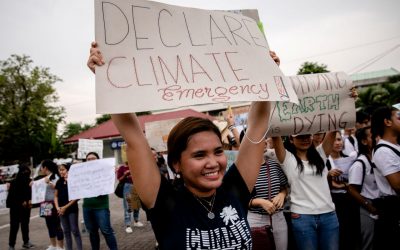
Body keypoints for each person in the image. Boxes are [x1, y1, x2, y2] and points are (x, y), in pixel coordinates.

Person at [88, 42, 276, 249]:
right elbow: (134, 137)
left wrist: (266, 76)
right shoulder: (165, 202)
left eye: (218, 151)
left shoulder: (234, 190)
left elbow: (257, 127)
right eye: (199, 155)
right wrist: (108, 77)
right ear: (176, 163)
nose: (213, 162)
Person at [272, 132, 339, 250]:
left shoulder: (321, 153)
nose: (305, 139)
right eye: (299, 136)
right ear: (291, 139)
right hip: (302, 217)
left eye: (307, 136)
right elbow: (275, 133)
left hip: (328, 215)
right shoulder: (287, 158)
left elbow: (333, 130)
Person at [243, 132, 289, 250]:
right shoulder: (243, 169)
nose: (264, 142)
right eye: (258, 140)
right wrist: (259, 201)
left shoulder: (274, 165)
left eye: (264, 140)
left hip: (278, 217)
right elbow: (238, 198)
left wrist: (282, 195)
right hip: (255, 219)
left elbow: (284, 187)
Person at [371, 106, 400, 250]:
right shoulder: (383, 151)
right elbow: (397, 185)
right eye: (398, 117)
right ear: (387, 122)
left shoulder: (395, 147)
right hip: (393, 212)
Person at [348, 126, 379, 250]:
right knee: (368, 242)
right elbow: (351, 189)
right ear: (364, 141)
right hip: (367, 208)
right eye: (372, 136)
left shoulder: (379, 157)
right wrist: (370, 207)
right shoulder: (359, 164)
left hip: (379, 205)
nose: (377, 138)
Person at [326, 131, 359, 250]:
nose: (337, 143)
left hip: (350, 199)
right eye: (334, 140)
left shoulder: (351, 159)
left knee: (352, 231)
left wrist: (344, 186)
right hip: (334, 201)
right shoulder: (324, 161)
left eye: (339, 139)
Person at [83, 152, 118, 250]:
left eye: (93, 158)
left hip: (101, 206)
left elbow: (110, 183)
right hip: (87, 207)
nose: (90, 160)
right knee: (92, 232)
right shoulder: (82, 173)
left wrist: (112, 173)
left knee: (106, 231)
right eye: (88, 159)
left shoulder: (105, 171)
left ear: (98, 160)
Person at [54, 163, 83, 250]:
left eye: (63, 169)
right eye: (60, 170)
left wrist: (65, 207)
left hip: (72, 209)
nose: (61, 171)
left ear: (68, 170)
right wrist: (57, 208)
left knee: (74, 230)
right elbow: (55, 196)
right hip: (61, 210)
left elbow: (77, 196)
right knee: (66, 231)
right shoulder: (58, 182)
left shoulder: (73, 181)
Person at [6, 163, 35, 250]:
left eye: (27, 172)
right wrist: (21, 201)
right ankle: (11, 245)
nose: (26, 174)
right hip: (15, 208)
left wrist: (30, 201)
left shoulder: (30, 182)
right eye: (24, 172)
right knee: (14, 226)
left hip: (26, 208)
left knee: (25, 225)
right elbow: (12, 196)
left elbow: (31, 193)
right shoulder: (14, 182)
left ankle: (26, 242)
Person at [40, 159, 64, 250]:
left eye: (42, 167)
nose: (41, 169)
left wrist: (49, 183)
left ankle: (61, 246)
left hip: (54, 204)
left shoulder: (56, 177)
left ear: (45, 168)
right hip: (45, 203)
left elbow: (59, 188)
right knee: (49, 225)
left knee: (57, 225)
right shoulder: (43, 178)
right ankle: (53, 245)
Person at [116, 161, 143, 234]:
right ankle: (128, 225)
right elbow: (119, 179)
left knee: (137, 204)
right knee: (128, 205)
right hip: (127, 186)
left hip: (137, 185)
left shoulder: (136, 165)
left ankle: (136, 221)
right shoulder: (122, 168)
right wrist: (125, 175)